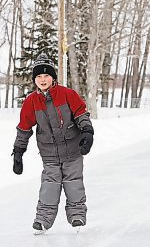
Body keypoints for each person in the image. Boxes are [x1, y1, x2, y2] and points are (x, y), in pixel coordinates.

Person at [12, 53, 94, 235]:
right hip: (49, 153)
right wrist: (18, 150)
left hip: (73, 149)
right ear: (35, 79)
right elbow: (24, 127)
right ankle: (43, 220)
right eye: (39, 76)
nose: (43, 79)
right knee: (49, 185)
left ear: (53, 77)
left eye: (46, 75)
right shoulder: (31, 101)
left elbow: (81, 114)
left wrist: (87, 131)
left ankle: (77, 215)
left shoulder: (67, 94)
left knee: (74, 183)